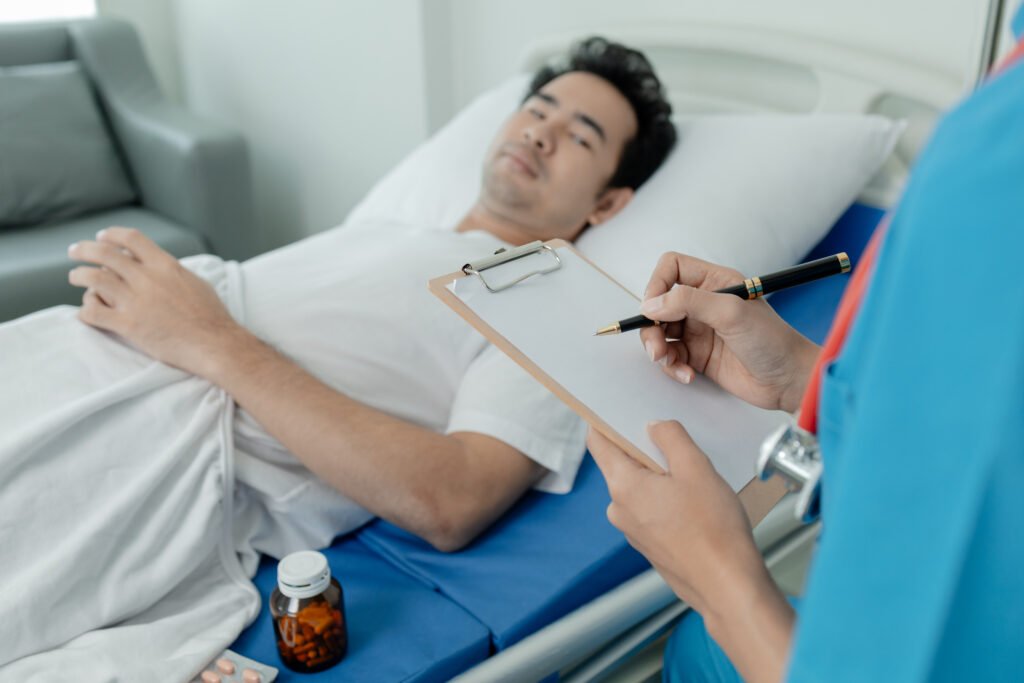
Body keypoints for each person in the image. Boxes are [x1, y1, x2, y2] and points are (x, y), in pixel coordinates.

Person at [0, 37, 675, 678]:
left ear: (609, 201)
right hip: (88, 350)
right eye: (537, 109)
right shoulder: (401, 229)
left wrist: (206, 336)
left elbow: (454, 498)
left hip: (163, 432)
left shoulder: (546, 294)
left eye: (580, 135)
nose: (539, 132)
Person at [586, 14, 1024, 683]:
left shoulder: (995, 169)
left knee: (703, 645)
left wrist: (716, 578)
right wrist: (802, 372)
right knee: (694, 649)